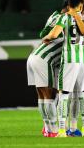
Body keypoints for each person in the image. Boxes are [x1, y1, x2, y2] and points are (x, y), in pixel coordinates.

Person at [42, 0, 84, 138]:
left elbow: (55, 33)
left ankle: (62, 130)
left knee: (64, 94)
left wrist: (47, 38)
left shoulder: (64, 17)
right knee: (83, 95)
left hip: (70, 59)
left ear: (68, 5)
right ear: (80, 6)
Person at [27, 9, 64, 138]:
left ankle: (47, 128)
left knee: (42, 96)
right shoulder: (66, 27)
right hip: (43, 60)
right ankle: (53, 129)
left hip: (33, 56)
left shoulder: (54, 16)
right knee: (48, 95)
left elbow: (43, 32)